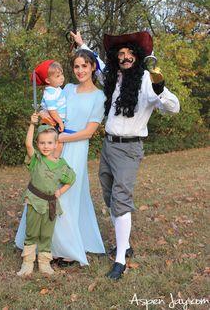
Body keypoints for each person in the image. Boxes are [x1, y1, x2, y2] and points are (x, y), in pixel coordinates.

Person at [71, 30, 180, 280]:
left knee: (121, 199)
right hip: (109, 146)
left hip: (130, 148)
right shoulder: (114, 78)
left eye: (129, 53)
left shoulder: (146, 80)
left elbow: (174, 108)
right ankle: (126, 245)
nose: (125, 57)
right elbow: (95, 63)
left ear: (138, 56)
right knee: (110, 197)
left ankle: (120, 260)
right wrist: (82, 44)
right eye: (120, 53)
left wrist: (161, 90)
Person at [15, 49, 106, 266]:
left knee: (66, 194)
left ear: (93, 67)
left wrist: (64, 139)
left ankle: (65, 247)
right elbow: (52, 110)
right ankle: (43, 244)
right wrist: (43, 116)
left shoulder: (99, 96)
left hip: (75, 144)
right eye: (76, 66)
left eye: (85, 66)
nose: (80, 70)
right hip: (56, 143)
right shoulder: (67, 89)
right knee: (46, 188)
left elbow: (89, 131)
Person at [17, 113, 75, 277]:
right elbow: (28, 145)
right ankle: (27, 263)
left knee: (46, 234)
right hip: (35, 201)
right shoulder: (36, 159)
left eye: (50, 142)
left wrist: (60, 191)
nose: (46, 146)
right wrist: (32, 125)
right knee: (32, 232)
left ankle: (44, 262)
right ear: (38, 144)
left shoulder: (62, 165)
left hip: (51, 204)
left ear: (57, 144)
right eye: (42, 143)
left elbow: (71, 179)